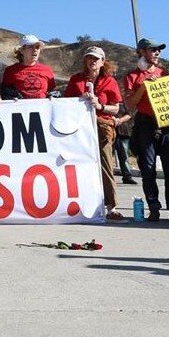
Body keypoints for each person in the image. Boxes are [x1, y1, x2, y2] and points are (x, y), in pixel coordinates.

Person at [64, 46, 124, 221]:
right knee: (79, 165)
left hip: (102, 126)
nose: (92, 61)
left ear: (103, 62)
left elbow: (116, 108)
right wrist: (79, 100)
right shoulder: (76, 80)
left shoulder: (109, 81)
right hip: (80, 127)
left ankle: (112, 206)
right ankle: (82, 203)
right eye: (89, 58)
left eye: (96, 59)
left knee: (105, 165)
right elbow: (66, 102)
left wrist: (100, 106)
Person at [124, 38, 169, 222]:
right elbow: (129, 104)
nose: (156, 53)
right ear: (141, 52)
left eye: (158, 50)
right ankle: (154, 207)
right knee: (147, 168)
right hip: (145, 125)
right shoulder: (132, 77)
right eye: (152, 50)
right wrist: (144, 87)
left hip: (167, 125)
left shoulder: (165, 73)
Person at [1, 35, 56, 99]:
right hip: (20, 108)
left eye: (37, 47)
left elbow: (51, 91)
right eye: (31, 47)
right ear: (22, 50)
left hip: (42, 108)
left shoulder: (47, 70)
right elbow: (5, 93)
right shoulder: (10, 71)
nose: (35, 50)